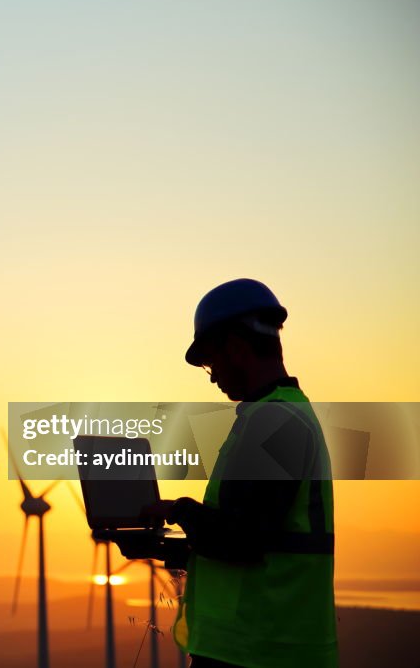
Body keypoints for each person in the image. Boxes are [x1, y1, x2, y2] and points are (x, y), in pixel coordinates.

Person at [119, 278, 338, 668]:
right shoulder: (277, 415)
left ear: (236, 348)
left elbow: (243, 541)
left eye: (210, 360)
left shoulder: (275, 422)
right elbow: (257, 539)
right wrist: (163, 548)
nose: (211, 375)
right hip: (257, 646)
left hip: (262, 650)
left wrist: (179, 510)